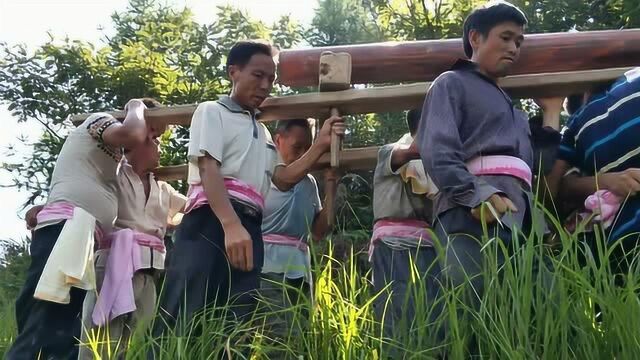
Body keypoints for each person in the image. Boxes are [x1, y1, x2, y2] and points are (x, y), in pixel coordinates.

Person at [154, 41, 345, 340]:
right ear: (234, 72)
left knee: (235, 319)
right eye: (258, 75)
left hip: (251, 225)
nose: (265, 85)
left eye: (271, 79)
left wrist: (320, 144)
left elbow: (282, 179)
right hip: (211, 220)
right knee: (190, 311)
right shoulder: (212, 111)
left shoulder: (263, 132)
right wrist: (230, 224)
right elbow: (208, 168)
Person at [7, 98, 164, 360]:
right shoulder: (97, 121)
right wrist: (137, 105)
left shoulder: (114, 165)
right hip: (66, 231)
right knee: (44, 319)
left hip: (83, 240)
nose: (154, 137)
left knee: (67, 329)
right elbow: (131, 134)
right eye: (154, 131)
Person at [76, 136, 187, 359]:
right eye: (154, 142)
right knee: (100, 341)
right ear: (136, 144)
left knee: (136, 345)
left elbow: (193, 206)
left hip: (150, 273)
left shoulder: (163, 188)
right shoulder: (115, 174)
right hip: (113, 264)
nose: (159, 148)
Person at [547, 67, 640, 278]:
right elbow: (553, 188)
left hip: (624, 243)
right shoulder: (578, 121)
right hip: (625, 240)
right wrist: (605, 181)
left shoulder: (577, 123)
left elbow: (551, 189)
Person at [259, 119, 333, 343]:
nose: (302, 154)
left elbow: (318, 231)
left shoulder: (308, 182)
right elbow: (285, 180)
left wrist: (332, 184)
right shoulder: (265, 170)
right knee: (278, 338)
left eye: (307, 148)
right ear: (278, 140)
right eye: (297, 147)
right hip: (268, 268)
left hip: (300, 272)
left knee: (300, 337)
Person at [370, 109, 440, 345]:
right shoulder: (390, 152)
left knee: (429, 317)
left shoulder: (437, 166)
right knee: (396, 318)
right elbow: (415, 150)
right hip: (394, 248)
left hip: (428, 250)